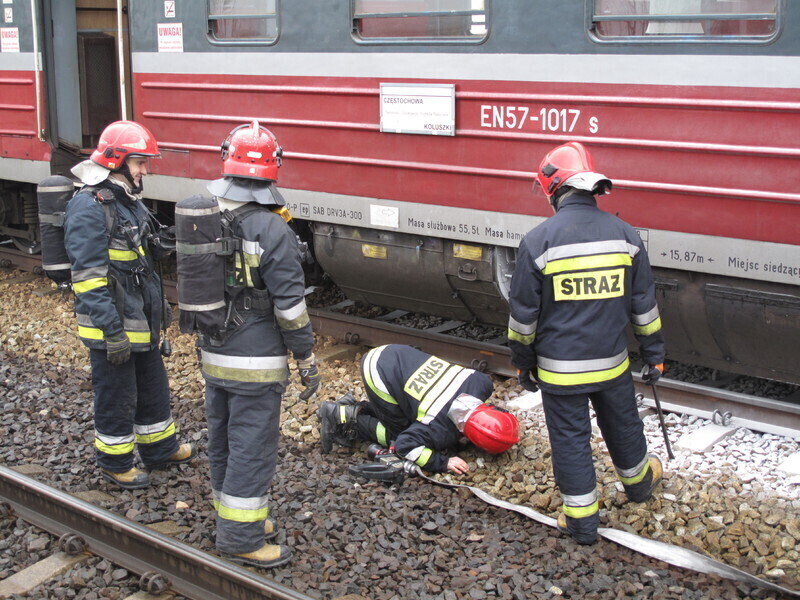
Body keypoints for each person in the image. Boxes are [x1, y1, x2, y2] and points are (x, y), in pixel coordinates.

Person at [507, 142, 666, 545]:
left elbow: (523, 320)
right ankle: (639, 488)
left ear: (554, 190)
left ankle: (582, 524)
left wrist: (523, 364)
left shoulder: (538, 241)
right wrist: (655, 356)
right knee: (624, 426)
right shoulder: (625, 235)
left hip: (560, 372)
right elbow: (644, 307)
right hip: (613, 366)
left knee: (570, 440)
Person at [191, 122, 319, 569]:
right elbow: (289, 307)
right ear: (273, 167)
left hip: (213, 350)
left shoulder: (205, 215)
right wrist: (305, 355)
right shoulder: (271, 227)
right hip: (256, 361)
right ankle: (241, 537)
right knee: (252, 445)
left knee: (223, 435)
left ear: (226, 160)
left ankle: (231, 515)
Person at [64, 120, 196, 490]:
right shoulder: (89, 207)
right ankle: (114, 462)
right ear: (117, 161)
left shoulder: (125, 201)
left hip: (139, 319)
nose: (144, 170)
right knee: (117, 395)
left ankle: (159, 449)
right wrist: (112, 332)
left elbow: (141, 258)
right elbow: (88, 280)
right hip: (113, 326)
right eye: (139, 163)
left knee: (152, 386)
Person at [318, 344, 519, 474]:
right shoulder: (441, 431)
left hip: (395, 353)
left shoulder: (481, 383)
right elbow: (407, 445)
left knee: (408, 415)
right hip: (378, 372)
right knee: (397, 436)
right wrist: (441, 462)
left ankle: (356, 407)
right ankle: (339, 415)